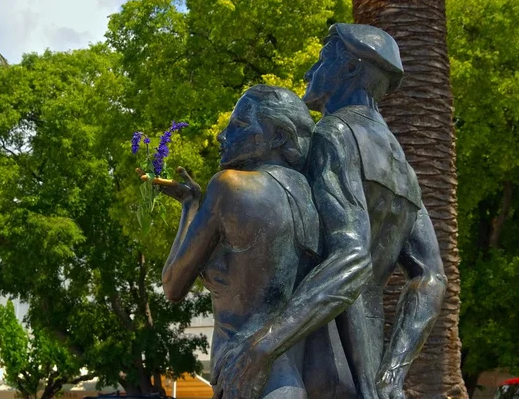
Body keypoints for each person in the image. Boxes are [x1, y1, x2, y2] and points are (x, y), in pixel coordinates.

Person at [211, 24, 448, 399]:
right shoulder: (403, 167)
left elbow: (351, 259)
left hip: (314, 357)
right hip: (366, 364)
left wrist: (262, 346)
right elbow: (431, 278)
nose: (309, 73)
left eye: (322, 60)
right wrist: (391, 375)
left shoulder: (333, 134)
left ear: (351, 69)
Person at [153, 85, 335, 398]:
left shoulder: (228, 187)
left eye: (238, 126)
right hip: (291, 383)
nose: (222, 136)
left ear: (278, 137)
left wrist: (190, 207)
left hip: (242, 380)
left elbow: (172, 285)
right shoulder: (314, 197)